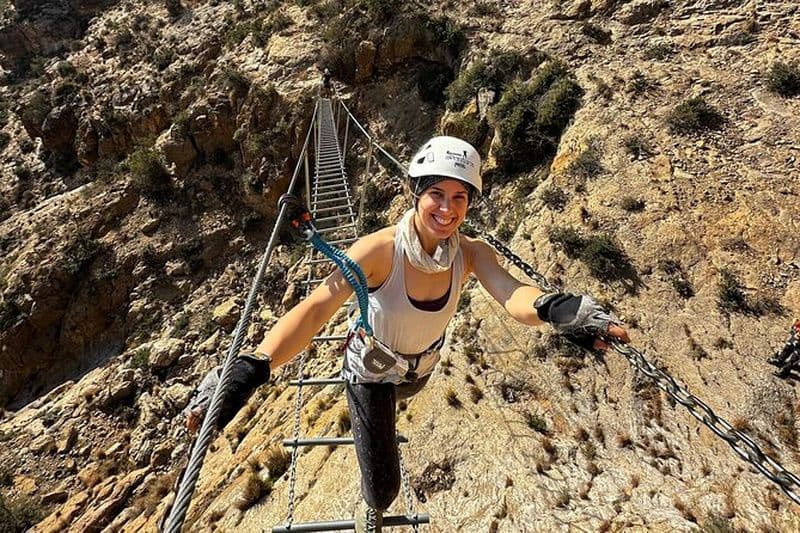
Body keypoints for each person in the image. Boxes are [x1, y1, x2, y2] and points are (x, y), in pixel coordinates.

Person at [186, 136, 630, 531]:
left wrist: (554, 308)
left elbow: (513, 294)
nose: (447, 208)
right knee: (383, 489)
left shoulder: (471, 254)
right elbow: (316, 307)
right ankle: (370, 501)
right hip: (371, 373)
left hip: (418, 373)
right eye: (436, 194)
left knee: (395, 415)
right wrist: (252, 367)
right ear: (413, 193)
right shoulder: (379, 251)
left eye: (460, 197)